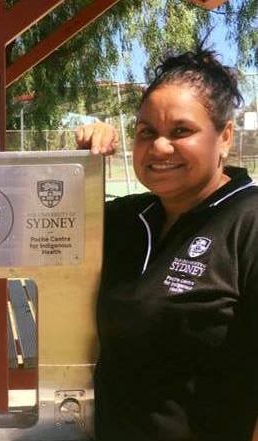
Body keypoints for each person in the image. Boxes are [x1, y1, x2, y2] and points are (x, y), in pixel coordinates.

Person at [77, 48, 257, 441]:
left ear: (224, 136)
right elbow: (39, 230)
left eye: (181, 131)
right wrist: (80, 166)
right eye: (146, 133)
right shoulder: (126, 220)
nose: (159, 148)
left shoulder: (249, 223)